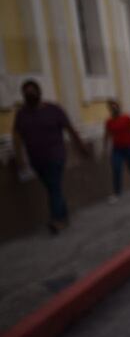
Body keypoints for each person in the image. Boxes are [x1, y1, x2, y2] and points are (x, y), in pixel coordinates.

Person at [12, 79, 90, 234]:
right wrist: (19, 158)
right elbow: (17, 137)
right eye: (27, 92)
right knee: (52, 188)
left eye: (32, 90)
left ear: (39, 93)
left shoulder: (54, 110)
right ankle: (64, 215)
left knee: (53, 186)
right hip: (36, 159)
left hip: (56, 156)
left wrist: (81, 147)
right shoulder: (22, 114)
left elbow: (70, 129)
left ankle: (57, 220)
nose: (30, 94)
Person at [104, 99, 130, 202]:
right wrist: (105, 148)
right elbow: (107, 135)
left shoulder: (126, 118)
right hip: (117, 149)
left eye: (115, 106)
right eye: (112, 107)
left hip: (129, 147)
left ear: (119, 107)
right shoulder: (109, 122)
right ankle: (116, 193)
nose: (114, 108)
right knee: (116, 169)